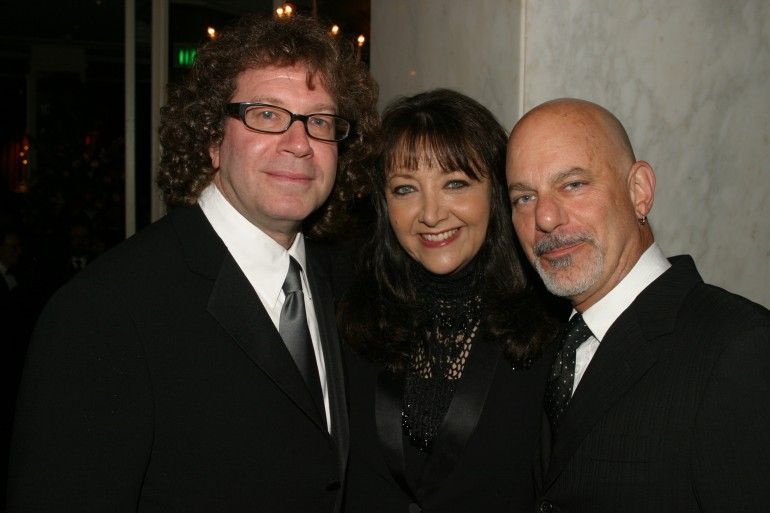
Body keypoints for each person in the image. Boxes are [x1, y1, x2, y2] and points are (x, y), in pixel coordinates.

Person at [7, 14, 378, 513]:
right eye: (266, 115)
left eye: (320, 121)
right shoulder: (105, 311)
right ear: (211, 139)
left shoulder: (344, 283)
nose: (299, 142)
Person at [505, 98, 770, 513]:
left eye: (573, 184)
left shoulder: (739, 347)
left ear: (639, 191)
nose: (546, 218)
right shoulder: (542, 344)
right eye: (524, 197)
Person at [338, 89, 560, 513]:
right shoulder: (351, 316)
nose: (431, 214)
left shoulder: (549, 327)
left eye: (454, 184)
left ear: (496, 192)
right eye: (405, 189)